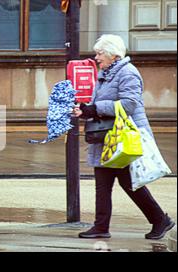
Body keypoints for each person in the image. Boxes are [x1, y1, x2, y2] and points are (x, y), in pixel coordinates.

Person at [72, 34, 175, 240]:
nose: (96, 57)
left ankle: (159, 220)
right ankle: (102, 226)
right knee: (105, 183)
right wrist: (85, 111)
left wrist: (94, 109)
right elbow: (100, 105)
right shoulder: (106, 73)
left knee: (126, 183)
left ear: (114, 55)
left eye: (100, 53)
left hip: (121, 138)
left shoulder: (128, 73)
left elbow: (129, 104)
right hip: (107, 138)